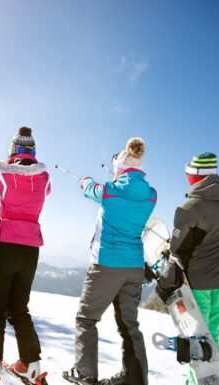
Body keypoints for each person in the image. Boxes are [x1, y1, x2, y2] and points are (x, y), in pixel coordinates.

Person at [63, 137, 156, 385]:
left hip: (107, 264)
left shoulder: (109, 190)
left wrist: (85, 181)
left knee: (86, 318)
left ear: (120, 168)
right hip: (134, 265)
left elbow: (89, 188)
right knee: (129, 325)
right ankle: (135, 378)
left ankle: (85, 373)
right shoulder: (151, 196)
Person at [156, 153, 219, 385]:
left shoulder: (189, 208)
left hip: (197, 286)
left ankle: (199, 381)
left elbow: (178, 253)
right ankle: (203, 379)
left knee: (197, 341)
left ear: (193, 177)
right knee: (212, 335)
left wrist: (165, 284)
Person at [0, 127, 52, 385]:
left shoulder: (3, 174)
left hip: (5, 244)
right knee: (20, 308)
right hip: (30, 248)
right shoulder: (44, 178)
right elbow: (46, 193)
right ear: (33, 152)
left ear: (13, 151)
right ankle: (31, 365)